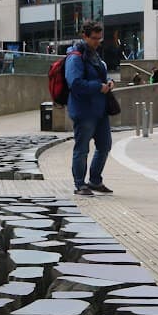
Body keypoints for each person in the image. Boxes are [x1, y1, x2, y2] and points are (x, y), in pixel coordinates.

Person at [65, 21, 114, 197]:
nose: (97, 42)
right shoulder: (75, 57)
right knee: (82, 148)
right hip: (83, 111)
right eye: (94, 38)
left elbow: (101, 75)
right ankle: (80, 184)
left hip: (99, 110)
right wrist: (98, 87)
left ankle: (94, 180)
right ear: (84, 36)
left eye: (99, 39)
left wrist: (108, 82)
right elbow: (75, 83)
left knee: (105, 145)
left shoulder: (94, 56)